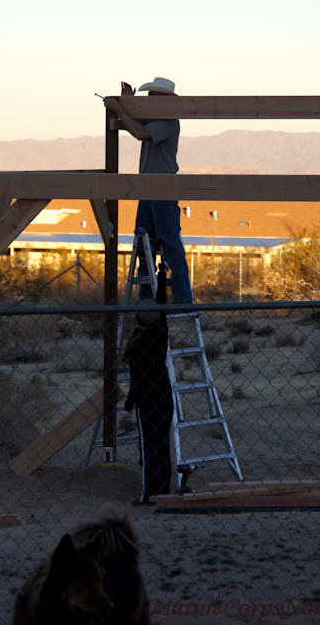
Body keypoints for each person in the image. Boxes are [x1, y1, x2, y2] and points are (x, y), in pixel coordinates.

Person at [103, 77, 192, 303]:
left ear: (163, 101)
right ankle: (146, 299)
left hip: (162, 187)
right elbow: (133, 123)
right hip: (148, 188)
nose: (149, 100)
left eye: (153, 97)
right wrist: (126, 103)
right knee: (144, 243)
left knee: (169, 244)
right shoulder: (155, 117)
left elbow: (139, 132)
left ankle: (182, 300)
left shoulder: (169, 121)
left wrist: (119, 107)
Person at [124, 263, 173, 505]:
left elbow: (138, 380)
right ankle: (165, 488)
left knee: (149, 447)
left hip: (148, 401)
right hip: (165, 396)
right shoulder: (161, 333)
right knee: (163, 444)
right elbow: (162, 306)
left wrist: (130, 402)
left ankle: (149, 493)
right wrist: (161, 275)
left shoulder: (135, 346)